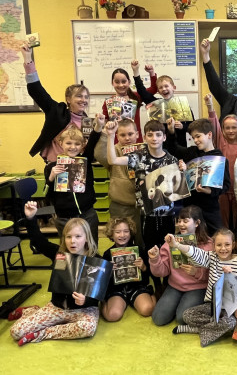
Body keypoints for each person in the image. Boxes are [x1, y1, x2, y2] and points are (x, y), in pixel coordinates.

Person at [105, 119, 180, 295]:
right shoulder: (138, 157)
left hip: (168, 214)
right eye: (150, 134)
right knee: (150, 249)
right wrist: (110, 136)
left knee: (168, 248)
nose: (154, 138)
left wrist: (181, 169)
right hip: (147, 216)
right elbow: (113, 159)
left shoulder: (171, 159)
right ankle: (157, 283)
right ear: (144, 137)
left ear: (163, 137)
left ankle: (169, 281)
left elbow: (177, 188)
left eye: (158, 134)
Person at [9, 202, 100, 346]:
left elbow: (99, 294)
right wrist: (31, 218)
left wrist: (85, 300)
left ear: (87, 238)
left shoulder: (96, 260)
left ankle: (42, 333)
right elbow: (39, 242)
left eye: (78, 236)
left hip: (84, 310)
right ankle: (32, 311)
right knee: (16, 331)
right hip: (57, 307)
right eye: (68, 237)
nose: (73, 241)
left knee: (87, 328)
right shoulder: (60, 254)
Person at [168, 229, 237, 347]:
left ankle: (195, 330)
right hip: (210, 305)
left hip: (228, 309)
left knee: (230, 323)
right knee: (187, 315)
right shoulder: (213, 257)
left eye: (227, 244)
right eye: (219, 245)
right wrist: (177, 245)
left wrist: (230, 276)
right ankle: (213, 328)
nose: (223, 248)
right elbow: (195, 253)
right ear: (213, 245)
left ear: (233, 245)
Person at [20, 45, 90, 162]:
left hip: (78, 168)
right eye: (79, 96)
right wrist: (28, 59)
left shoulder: (87, 121)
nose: (83, 100)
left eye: (86, 97)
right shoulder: (57, 111)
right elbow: (37, 91)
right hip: (56, 166)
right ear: (68, 99)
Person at [148, 205, 212, 325]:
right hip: (175, 286)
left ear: (197, 223)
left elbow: (214, 273)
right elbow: (163, 272)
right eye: (179, 221)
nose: (181, 224)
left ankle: (191, 305)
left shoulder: (208, 244)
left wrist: (197, 272)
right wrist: (155, 259)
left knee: (182, 318)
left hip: (198, 287)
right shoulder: (170, 242)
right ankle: (178, 305)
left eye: (185, 221)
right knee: (158, 318)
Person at [165, 117, 231, 233]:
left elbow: (226, 185)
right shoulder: (191, 152)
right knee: (191, 238)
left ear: (209, 135)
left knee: (216, 235)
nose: (195, 140)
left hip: (210, 208)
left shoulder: (219, 158)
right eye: (193, 137)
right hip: (190, 206)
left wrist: (210, 191)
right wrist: (171, 132)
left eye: (198, 136)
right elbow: (173, 148)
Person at [44, 117, 104, 244]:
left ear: (82, 146)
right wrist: (51, 178)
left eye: (77, 144)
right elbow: (46, 195)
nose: (73, 147)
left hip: (87, 214)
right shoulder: (52, 167)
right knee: (69, 249)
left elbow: (93, 142)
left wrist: (98, 126)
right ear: (61, 143)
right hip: (64, 218)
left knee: (91, 247)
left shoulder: (85, 161)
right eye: (69, 143)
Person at [94, 118, 142, 246]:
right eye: (122, 135)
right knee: (121, 240)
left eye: (130, 134)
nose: (127, 138)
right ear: (117, 136)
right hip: (120, 205)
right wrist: (106, 135)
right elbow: (99, 154)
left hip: (142, 205)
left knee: (141, 239)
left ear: (137, 134)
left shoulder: (144, 150)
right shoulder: (113, 150)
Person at [101, 217, 156, 321]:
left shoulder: (139, 250)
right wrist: (108, 271)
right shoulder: (107, 254)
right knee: (112, 316)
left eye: (126, 231)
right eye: (118, 232)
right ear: (111, 234)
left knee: (147, 310)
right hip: (116, 289)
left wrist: (143, 267)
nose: (122, 235)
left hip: (136, 287)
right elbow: (103, 281)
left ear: (130, 233)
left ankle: (152, 294)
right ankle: (104, 302)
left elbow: (148, 275)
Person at [205, 94, 237, 231]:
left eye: (234, 127)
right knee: (223, 225)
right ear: (223, 130)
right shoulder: (221, 145)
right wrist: (210, 106)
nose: (231, 131)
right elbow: (214, 125)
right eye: (227, 128)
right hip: (222, 191)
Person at [102, 62, 157, 144]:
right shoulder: (109, 102)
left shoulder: (136, 96)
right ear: (112, 83)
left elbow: (153, 89)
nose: (121, 85)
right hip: (117, 143)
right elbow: (105, 122)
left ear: (129, 82)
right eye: (117, 82)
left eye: (124, 81)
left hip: (136, 141)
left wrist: (151, 72)